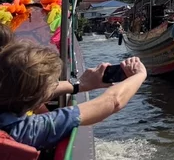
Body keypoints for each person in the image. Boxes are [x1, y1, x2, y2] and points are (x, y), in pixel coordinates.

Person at [0, 41, 147, 150]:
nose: (56, 85)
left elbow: (29, 91)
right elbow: (113, 101)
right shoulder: (28, 130)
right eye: (53, 84)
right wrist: (140, 75)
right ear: (39, 97)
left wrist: (79, 85)